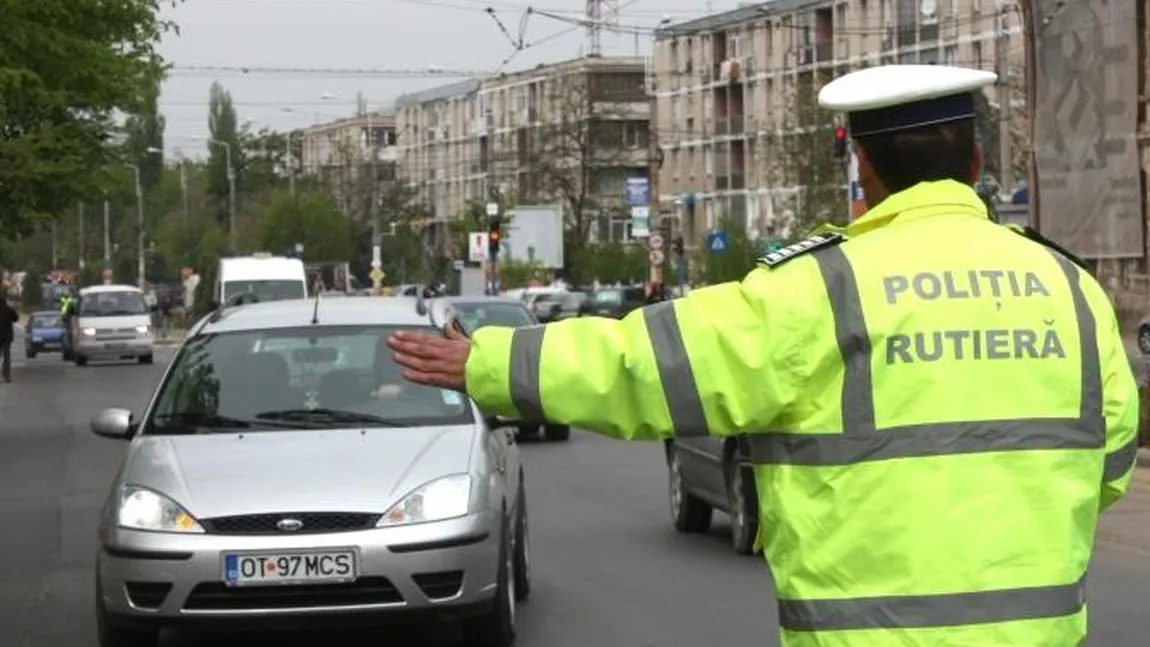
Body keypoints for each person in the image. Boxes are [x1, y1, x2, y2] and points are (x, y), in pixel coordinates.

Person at [388, 65, 1140, 647]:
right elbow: (1109, 464)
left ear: (864, 172)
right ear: (975, 161)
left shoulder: (819, 289)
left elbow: (645, 364)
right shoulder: (1070, 289)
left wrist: (490, 362)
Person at [0, 286, 18, 383]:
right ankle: (6, 376)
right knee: (7, 357)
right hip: (7, 336)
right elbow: (16, 318)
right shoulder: (8, 309)